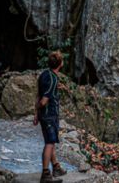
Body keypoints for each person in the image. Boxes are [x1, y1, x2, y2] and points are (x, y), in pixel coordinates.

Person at [34, 51, 68, 182]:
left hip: (44, 115)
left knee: (51, 141)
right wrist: (40, 108)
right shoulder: (53, 79)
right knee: (49, 143)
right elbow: (43, 100)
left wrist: (36, 114)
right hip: (49, 115)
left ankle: (56, 167)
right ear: (60, 64)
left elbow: (37, 94)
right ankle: (45, 174)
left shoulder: (44, 74)